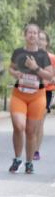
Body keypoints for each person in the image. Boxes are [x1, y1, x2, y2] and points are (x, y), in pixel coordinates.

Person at [7, 23, 55, 174]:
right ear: (25, 35)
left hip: (37, 95)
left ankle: (28, 162)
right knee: (19, 126)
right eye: (30, 33)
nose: (32, 35)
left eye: (35, 33)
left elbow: (49, 76)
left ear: (38, 36)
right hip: (19, 94)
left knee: (31, 131)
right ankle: (17, 158)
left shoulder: (43, 55)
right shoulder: (18, 52)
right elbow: (11, 68)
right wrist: (15, 74)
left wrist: (35, 68)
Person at [36, 29, 54, 160]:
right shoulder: (29, 55)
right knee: (31, 122)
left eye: (43, 39)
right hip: (31, 90)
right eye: (38, 38)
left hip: (46, 91)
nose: (40, 41)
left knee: (40, 122)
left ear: (46, 43)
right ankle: (31, 146)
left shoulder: (52, 58)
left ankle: (36, 150)